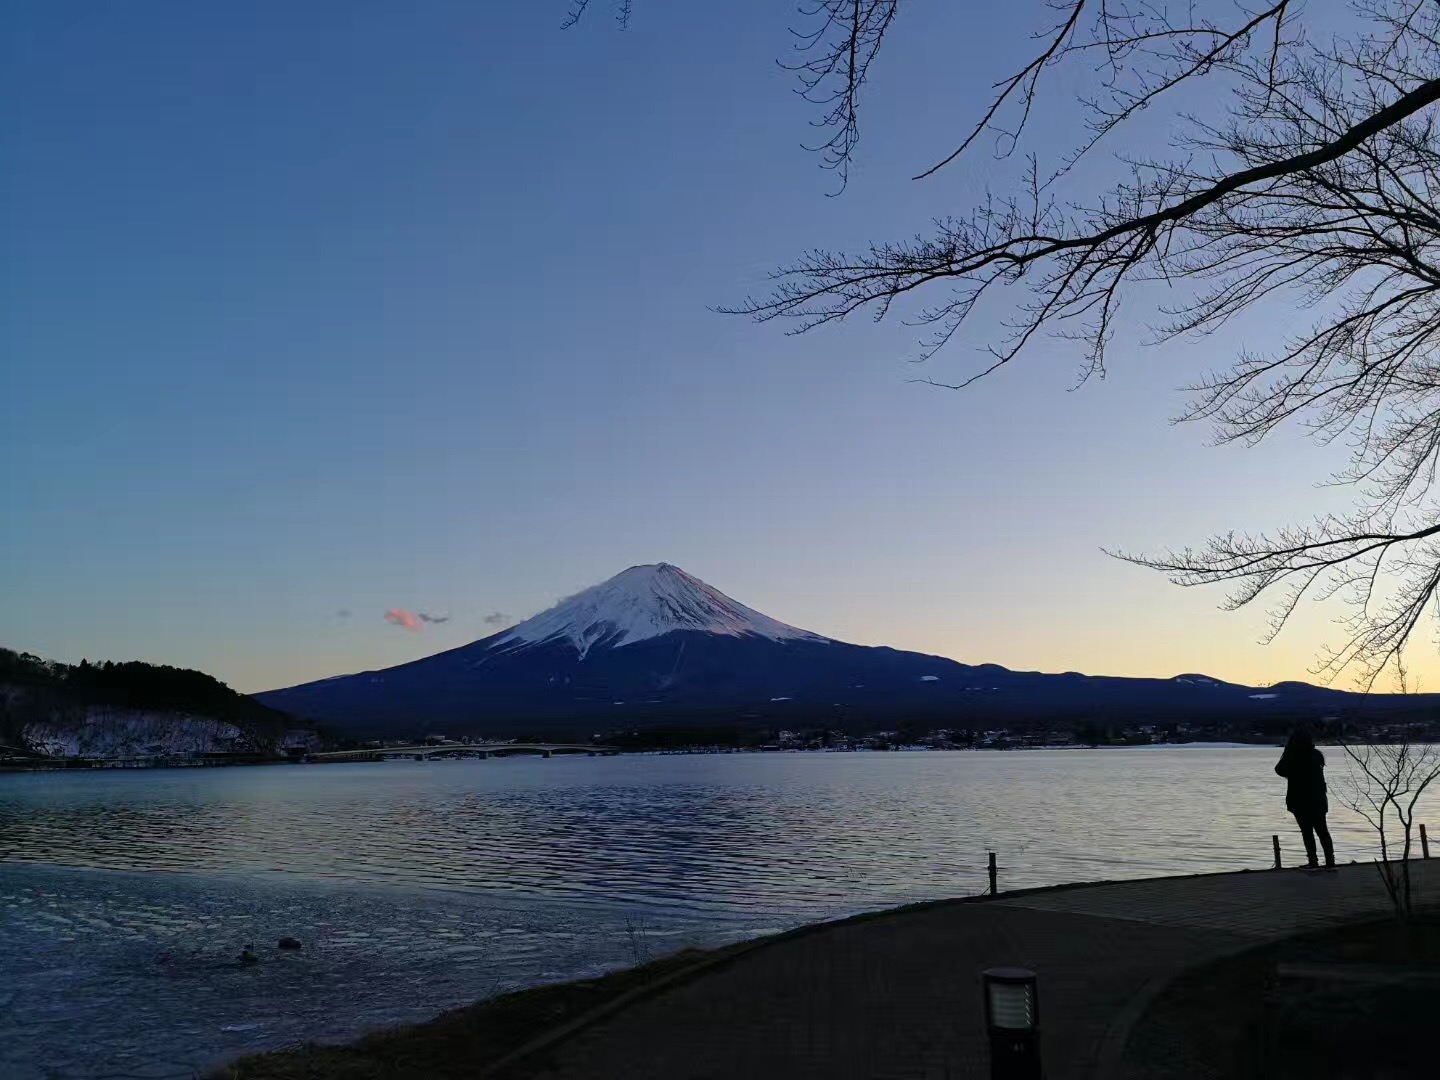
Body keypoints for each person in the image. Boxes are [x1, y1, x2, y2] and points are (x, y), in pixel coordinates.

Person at [1275, 729, 1335, 869]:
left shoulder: (1294, 756)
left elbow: (1279, 770)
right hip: (1318, 800)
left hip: (1300, 802)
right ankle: (1330, 861)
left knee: (1307, 832)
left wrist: (1287, 751)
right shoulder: (1316, 755)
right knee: (1322, 831)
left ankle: (1313, 861)